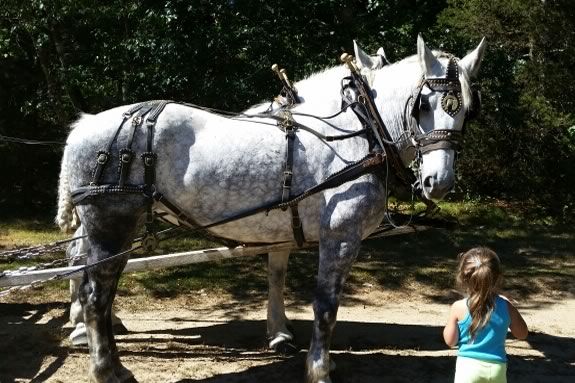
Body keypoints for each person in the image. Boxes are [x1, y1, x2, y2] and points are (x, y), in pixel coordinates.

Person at [443, 247, 528, 383]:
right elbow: (522, 334)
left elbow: (450, 341)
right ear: (498, 277)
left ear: (463, 277)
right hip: (496, 369)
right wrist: (512, 309)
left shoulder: (458, 307)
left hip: (468, 368)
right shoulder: (506, 306)